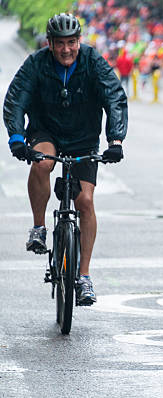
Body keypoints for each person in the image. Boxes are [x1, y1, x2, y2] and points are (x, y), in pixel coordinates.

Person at [3, 13, 128, 305]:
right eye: (59, 44)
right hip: (47, 130)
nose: (66, 49)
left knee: (84, 201)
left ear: (79, 41)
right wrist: (17, 138)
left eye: (71, 43)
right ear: (49, 44)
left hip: (83, 137)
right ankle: (38, 227)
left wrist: (115, 140)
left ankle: (84, 277)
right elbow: (16, 98)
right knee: (42, 163)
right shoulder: (36, 63)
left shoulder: (93, 61)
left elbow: (114, 97)